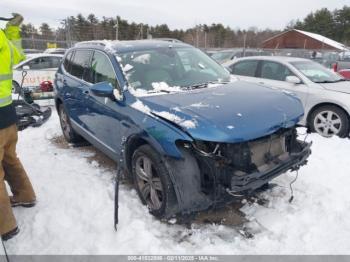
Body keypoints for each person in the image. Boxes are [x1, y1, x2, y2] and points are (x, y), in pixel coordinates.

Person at [0, 13, 36, 241]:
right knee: (10, 158)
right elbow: (19, 55)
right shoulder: (3, 39)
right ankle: (25, 195)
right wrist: (12, 30)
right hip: (7, 115)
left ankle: (5, 225)